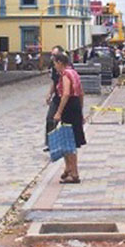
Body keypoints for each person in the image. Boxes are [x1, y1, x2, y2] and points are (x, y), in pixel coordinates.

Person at [50, 51, 86, 184]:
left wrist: (59, 111)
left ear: (60, 63)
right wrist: (81, 111)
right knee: (70, 139)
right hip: (75, 106)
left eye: (55, 63)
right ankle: (69, 169)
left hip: (68, 107)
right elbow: (81, 93)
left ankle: (74, 172)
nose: (54, 66)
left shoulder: (65, 74)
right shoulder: (74, 73)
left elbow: (65, 94)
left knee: (68, 140)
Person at [43, 45, 65, 151]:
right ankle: (50, 143)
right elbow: (54, 81)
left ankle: (64, 145)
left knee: (65, 122)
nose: (52, 57)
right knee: (49, 119)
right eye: (52, 55)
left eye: (54, 55)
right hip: (56, 97)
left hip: (66, 98)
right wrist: (49, 94)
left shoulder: (67, 67)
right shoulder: (54, 66)